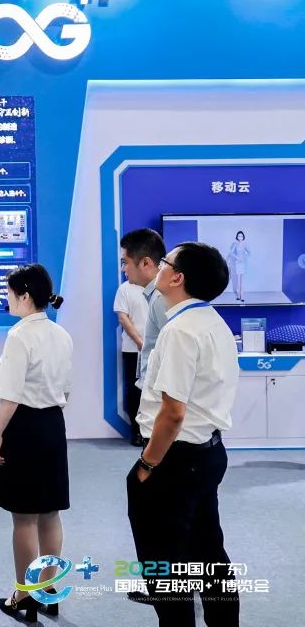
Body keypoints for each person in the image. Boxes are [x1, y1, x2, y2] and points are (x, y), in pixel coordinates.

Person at [128, 242, 241, 626]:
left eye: (165, 262)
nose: (158, 267)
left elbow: (173, 413)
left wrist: (147, 464)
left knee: (165, 565)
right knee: (209, 554)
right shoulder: (212, 322)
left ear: (177, 278)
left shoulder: (179, 331)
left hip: (175, 459)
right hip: (206, 453)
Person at [0, 264, 72, 622]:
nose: (6, 299)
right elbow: (66, 389)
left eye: (9, 293)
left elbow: (10, 395)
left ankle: (24, 596)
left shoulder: (19, 335)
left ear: (24, 295)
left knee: (24, 518)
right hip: (53, 424)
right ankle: (48, 591)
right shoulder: (60, 334)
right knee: (50, 513)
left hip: (23, 427)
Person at [121, 228, 169, 448]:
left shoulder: (161, 300)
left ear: (146, 263)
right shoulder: (155, 296)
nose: (124, 269)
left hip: (162, 405)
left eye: (126, 262)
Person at [114, 278, 148, 446]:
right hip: (133, 349)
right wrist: (139, 342)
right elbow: (123, 318)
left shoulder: (158, 286)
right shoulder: (124, 289)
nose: (124, 268)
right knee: (134, 390)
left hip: (157, 348)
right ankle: (136, 431)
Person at [226, 231, 250, 302]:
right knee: (238, 280)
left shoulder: (245, 245)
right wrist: (237, 257)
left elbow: (249, 252)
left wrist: (244, 257)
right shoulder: (235, 245)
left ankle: (242, 296)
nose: (240, 237)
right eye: (239, 236)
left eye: (241, 236)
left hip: (243, 263)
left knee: (242, 280)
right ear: (237, 237)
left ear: (243, 237)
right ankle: (238, 295)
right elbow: (231, 253)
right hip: (237, 263)